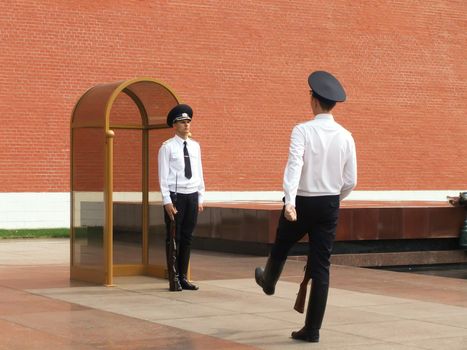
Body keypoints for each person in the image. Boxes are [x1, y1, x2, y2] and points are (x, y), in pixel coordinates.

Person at [255, 71, 357, 342]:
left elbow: (294, 165)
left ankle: (269, 282)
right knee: (322, 266)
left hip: (301, 199)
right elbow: (351, 180)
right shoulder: (346, 136)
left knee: (282, 244)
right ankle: (312, 329)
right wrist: (335, 199)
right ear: (332, 104)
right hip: (329, 204)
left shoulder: (302, 130)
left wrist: (290, 201)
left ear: (313, 100)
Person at [158, 104, 205, 292]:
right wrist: (166, 200)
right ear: (174, 125)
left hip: (192, 195)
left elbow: (199, 172)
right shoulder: (167, 148)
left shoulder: (195, 146)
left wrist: (201, 196)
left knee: (187, 238)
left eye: (188, 121)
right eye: (182, 122)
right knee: (174, 238)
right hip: (176, 197)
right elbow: (162, 176)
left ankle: (184, 276)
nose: (187, 125)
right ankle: (174, 278)